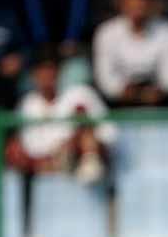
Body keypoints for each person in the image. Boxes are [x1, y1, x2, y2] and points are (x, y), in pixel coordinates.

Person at [9, 45, 114, 184]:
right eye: (41, 70)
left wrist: (77, 141)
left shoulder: (80, 93)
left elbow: (109, 132)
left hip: (86, 166)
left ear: (59, 71)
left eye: (51, 69)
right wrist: (56, 153)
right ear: (34, 75)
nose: (46, 75)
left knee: (88, 137)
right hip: (43, 171)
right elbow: (29, 146)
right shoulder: (27, 104)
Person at [93, 0, 168, 107]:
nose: (139, 3)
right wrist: (126, 92)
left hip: (160, 105)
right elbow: (106, 81)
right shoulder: (106, 33)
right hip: (116, 106)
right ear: (121, 0)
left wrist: (156, 92)